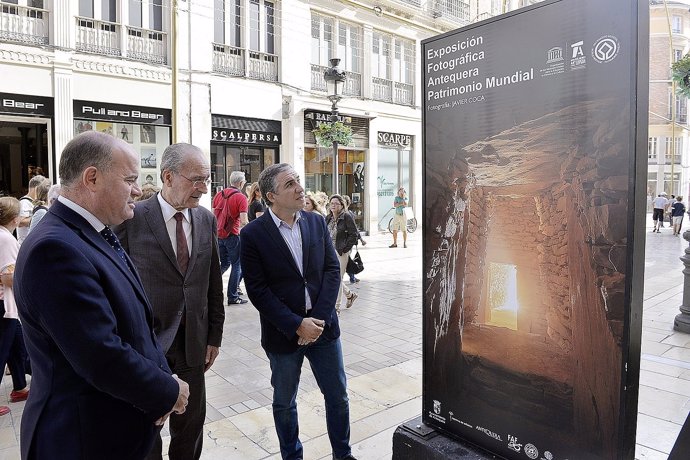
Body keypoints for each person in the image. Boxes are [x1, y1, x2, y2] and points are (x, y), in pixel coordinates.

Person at [14, 131, 189, 460]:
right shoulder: (55, 248)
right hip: (83, 440)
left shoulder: (90, 233)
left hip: (116, 429)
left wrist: (160, 379)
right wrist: (167, 391)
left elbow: (135, 325)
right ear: (91, 178)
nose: (138, 190)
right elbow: (100, 354)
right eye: (130, 179)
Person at [114, 143, 225, 460]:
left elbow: (212, 282)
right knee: (147, 429)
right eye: (196, 179)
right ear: (168, 176)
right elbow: (118, 283)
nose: (204, 188)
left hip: (194, 345)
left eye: (207, 179)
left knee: (190, 428)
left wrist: (214, 335)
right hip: (147, 345)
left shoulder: (205, 219)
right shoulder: (132, 218)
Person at [240, 163, 357, 460]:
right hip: (283, 334)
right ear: (271, 196)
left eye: (298, 181)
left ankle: (342, 455)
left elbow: (332, 270)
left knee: (338, 396)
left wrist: (317, 319)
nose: (299, 188)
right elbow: (257, 290)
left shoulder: (316, 222)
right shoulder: (253, 234)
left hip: (324, 329)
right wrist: (296, 324)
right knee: (284, 402)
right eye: (290, 184)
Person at [0, 197, 29, 418]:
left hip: (8, 306)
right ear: (14, 217)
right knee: (2, 352)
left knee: (17, 347)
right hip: (4, 305)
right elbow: (8, 276)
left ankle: (20, 386)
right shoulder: (6, 239)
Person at [214, 170, 248, 304]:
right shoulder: (241, 197)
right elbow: (244, 220)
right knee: (237, 264)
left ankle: (208, 286)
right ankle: (233, 296)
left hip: (219, 234)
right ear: (241, 183)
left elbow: (213, 215)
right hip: (232, 235)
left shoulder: (218, 195)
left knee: (224, 263)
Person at [325, 194, 359, 313]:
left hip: (340, 252)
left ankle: (336, 307)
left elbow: (354, 234)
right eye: (332, 203)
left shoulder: (346, 216)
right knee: (333, 277)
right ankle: (349, 295)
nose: (333, 205)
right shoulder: (328, 217)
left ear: (341, 205)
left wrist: (345, 249)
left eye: (336, 203)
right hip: (328, 251)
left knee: (338, 277)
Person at [342, 195, 366, 284]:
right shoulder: (338, 214)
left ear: (347, 204)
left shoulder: (349, 214)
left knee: (346, 260)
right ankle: (352, 277)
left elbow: (354, 229)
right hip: (340, 242)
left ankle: (351, 277)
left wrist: (361, 239)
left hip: (347, 242)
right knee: (346, 260)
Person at [17, 174, 46, 244]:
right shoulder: (24, 202)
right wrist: (39, 216)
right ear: (36, 188)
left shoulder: (36, 201)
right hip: (26, 243)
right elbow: (20, 222)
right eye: (42, 189)